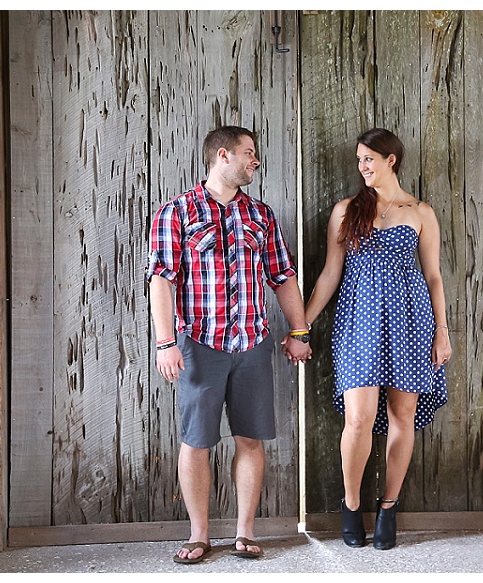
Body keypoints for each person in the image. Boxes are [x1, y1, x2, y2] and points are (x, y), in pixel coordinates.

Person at [146, 126, 312, 564]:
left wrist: (298, 331)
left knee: (250, 439)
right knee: (196, 441)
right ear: (223, 155)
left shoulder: (261, 215)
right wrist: (166, 343)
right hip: (199, 344)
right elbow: (160, 282)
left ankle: (244, 533)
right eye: (249, 153)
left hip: (253, 343)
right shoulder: (176, 212)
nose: (255, 161)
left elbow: (283, 275)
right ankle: (199, 535)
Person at [304, 128, 451, 550]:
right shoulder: (346, 210)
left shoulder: (421, 212)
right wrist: (303, 324)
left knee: (403, 417)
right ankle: (352, 506)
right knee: (358, 418)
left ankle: (389, 507)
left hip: (411, 322)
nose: (362, 167)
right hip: (358, 322)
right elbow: (331, 274)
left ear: (391, 160)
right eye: (359, 160)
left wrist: (442, 332)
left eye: (369, 159)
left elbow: (434, 276)